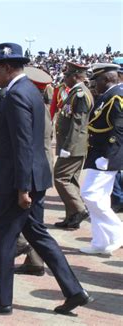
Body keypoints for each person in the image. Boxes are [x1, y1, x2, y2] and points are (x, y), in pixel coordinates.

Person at [0, 43, 92, 316]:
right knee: (39, 236)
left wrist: (22, 188)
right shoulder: (26, 91)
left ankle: (1, 301)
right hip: (30, 178)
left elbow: (22, 144)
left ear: (6, 68)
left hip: (16, 183)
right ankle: (74, 291)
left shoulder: (16, 95)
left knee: (2, 240)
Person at [14, 66, 54, 276]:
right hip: (38, 167)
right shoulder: (40, 104)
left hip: (33, 168)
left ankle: (23, 246)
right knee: (35, 218)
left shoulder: (35, 106)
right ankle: (35, 261)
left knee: (30, 218)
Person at [80, 63, 123, 255]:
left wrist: (108, 156)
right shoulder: (108, 95)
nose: (94, 84)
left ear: (106, 79)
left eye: (96, 80)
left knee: (90, 195)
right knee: (99, 198)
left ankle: (117, 231)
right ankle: (101, 242)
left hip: (106, 154)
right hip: (98, 153)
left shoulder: (117, 96)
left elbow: (119, 129)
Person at [53, 62, 93, 229]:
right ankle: (72, 217)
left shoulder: (81, 94)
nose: (65, 79)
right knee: (71, 180)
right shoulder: (75, 93)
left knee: (60, 177)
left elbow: (78, 124)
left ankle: (79, 209)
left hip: (73, 146)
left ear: (76, 76)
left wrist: (67, 148)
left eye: (67, 76)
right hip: (73, 145)